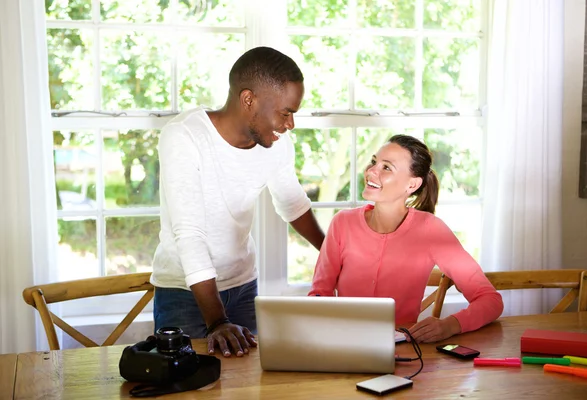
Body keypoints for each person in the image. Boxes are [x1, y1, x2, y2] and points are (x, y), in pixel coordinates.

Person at [151, 46, 325, 357]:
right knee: (188, 390)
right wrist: (217, 321)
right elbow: (190, 235)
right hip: (185, 294)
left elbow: (292, 203)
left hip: (243, 286)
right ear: (248, 100)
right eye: (285, 112)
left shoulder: (276, 143)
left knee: (247, 386)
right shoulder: (184, 137)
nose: (290, 125)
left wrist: (332, 254)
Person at [308, 134, 503, 343]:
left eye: (386, 167)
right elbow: (320, 293)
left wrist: (450, 325)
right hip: (343, 344)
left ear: (412, 185)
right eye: (374, 162)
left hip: (403, 351)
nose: (371, 171)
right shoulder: (343, 223)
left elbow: (490, 300)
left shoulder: (431, 230)